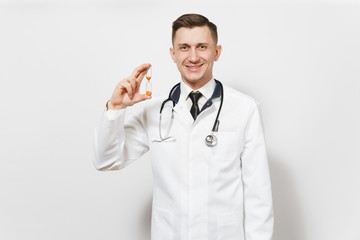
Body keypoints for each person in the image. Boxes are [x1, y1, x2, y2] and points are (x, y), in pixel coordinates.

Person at [93, 13, 274, 240]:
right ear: (173, 54)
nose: (194, 57)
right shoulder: (154, 109)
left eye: (202, 47)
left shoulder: (245, 109)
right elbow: (106, 160)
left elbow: (259, 196)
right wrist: (116, 108)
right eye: (184, 47)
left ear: (216, 52)